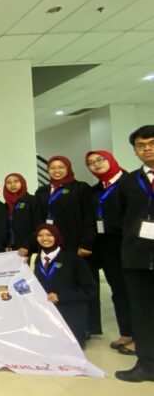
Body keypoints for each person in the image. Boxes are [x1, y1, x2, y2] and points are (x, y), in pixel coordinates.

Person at [115, 126, 154, 382]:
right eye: (141, 145)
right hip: (137, 258)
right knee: (142, 314)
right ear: (135, 151)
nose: (147, 149)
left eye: (151, 143)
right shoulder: (129, 181)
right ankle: (147, 365)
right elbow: (121, 216)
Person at [85, 150, 134, 355]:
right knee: (119, 291)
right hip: (107, 247)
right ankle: (127, 333)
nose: (96, 164)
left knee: (136, 291)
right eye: (91, 163)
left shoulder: (130, 182)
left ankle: (141, 337)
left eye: (100, 159)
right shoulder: (97, 189)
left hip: (129, 244)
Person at [31, 224, 96, 349]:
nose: (44, 238)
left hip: (70, 317)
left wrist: (61, 297)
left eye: (49, 235)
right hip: (46, 319)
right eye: (40, 235)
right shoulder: (36, 260)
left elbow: (90, 290)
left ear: (57, 236)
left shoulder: (74, 260)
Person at [35, 156, 96, 257]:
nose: (56, 171)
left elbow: (89, 217)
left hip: (75, 243)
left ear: (68, 168)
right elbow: (38, 218)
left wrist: (86, 243)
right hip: (49, 242)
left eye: (61, 167)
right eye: (52, 168)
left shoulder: (81, 188)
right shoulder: (41, 191)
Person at [3, 173, 43, 257]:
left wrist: (27, 246)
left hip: (30, 249)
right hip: (12, 251)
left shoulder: (32, 200)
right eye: (9, 183)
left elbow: (39, 226)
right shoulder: (6, 205)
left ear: (22, 182)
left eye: (16, 181)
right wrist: (7, 245)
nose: (12, 185)